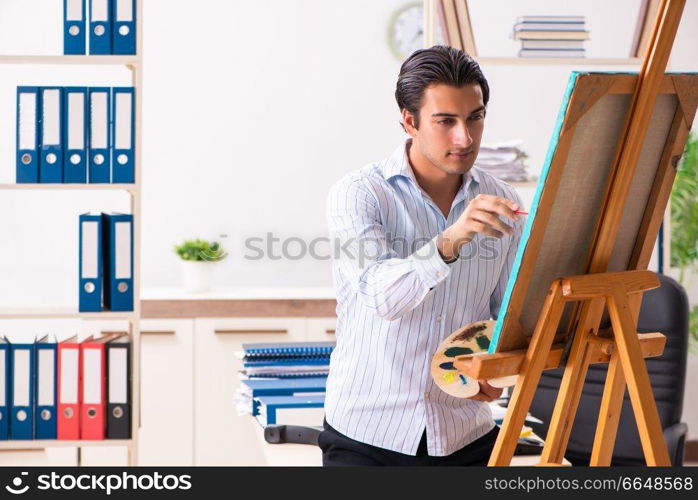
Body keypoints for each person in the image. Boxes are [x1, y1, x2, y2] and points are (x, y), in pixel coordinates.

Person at [321, 45, 524, 466]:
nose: (465, 138)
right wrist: (452, 240)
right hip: (368, 437)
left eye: (475, 117)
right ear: (409, 121)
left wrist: (499, 370)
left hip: (466, 435)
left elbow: (505, 316)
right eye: (446, 121)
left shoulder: (503, 200)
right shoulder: (359, 195)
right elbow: (383, 297)